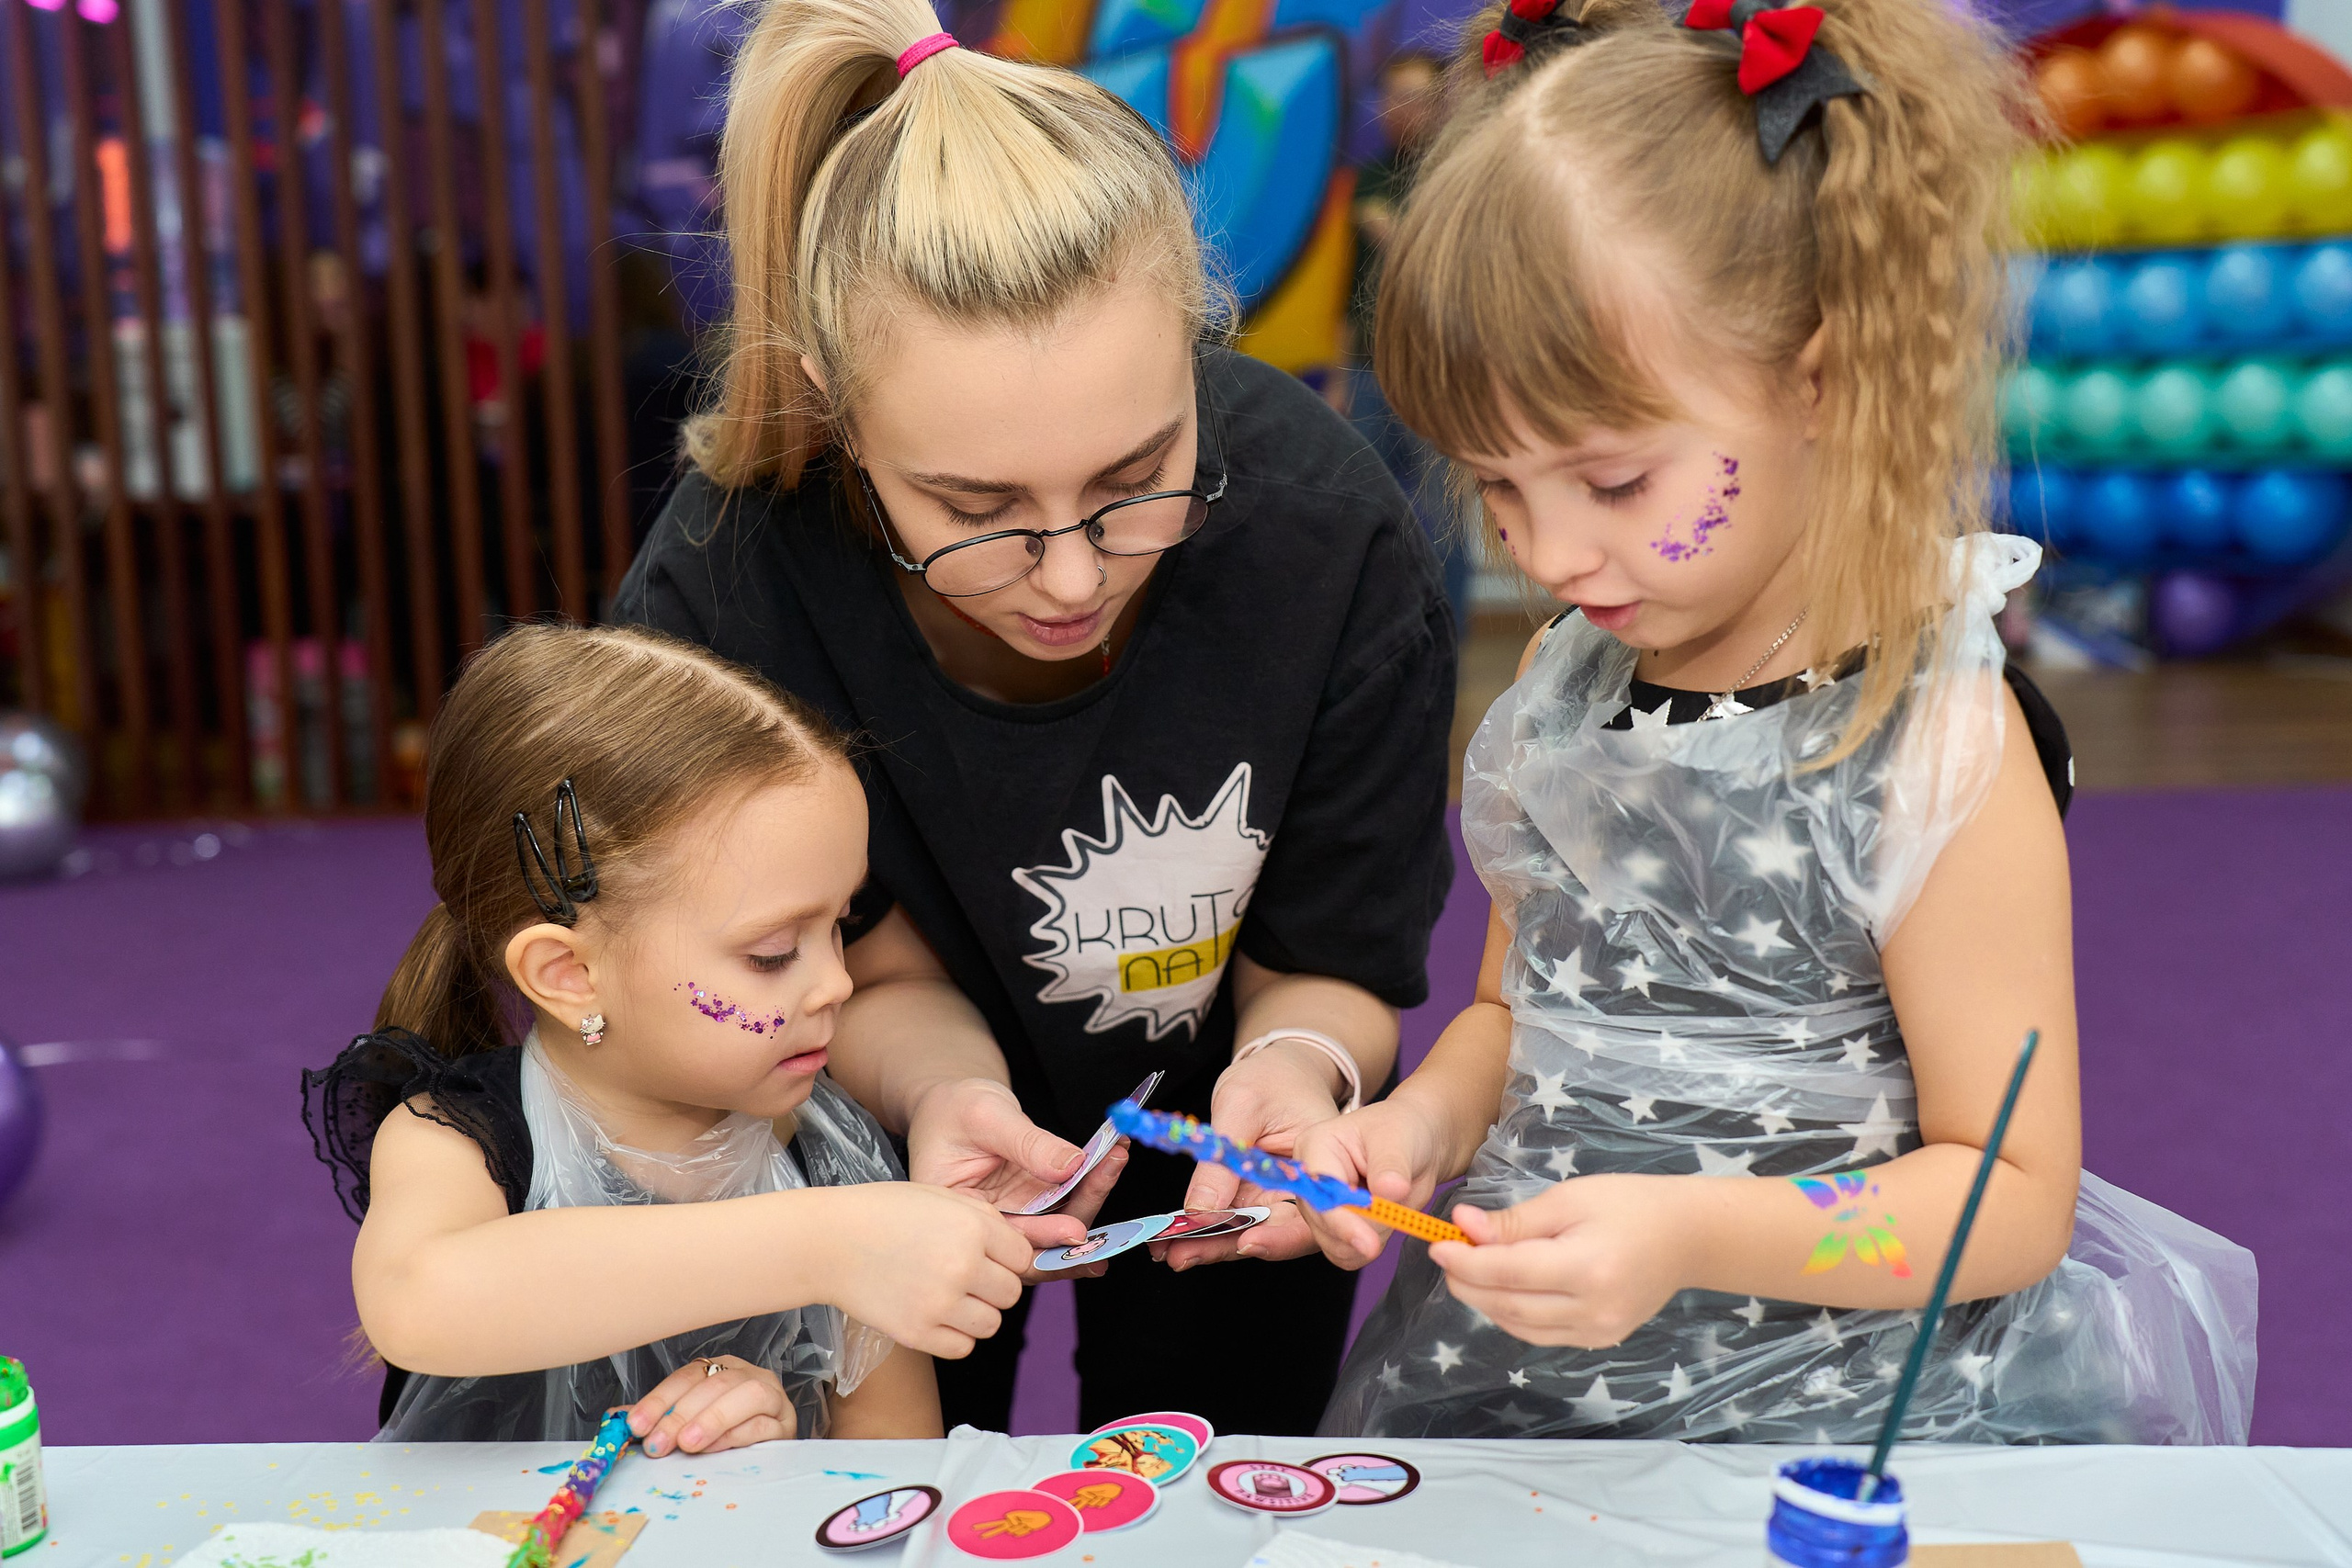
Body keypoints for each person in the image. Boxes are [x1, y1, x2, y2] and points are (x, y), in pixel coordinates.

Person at [1300, 0, 2256, 1442]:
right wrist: (1417, 1125)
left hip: (1843, 1411)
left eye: (1612, 483)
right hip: (1533, 1380)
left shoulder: (1935, 745)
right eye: (1500, 490)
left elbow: (2005, 1194)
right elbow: (1518, 1008)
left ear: (1820, 376)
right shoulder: (1569, 672)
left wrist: (1689, 1235)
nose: (1547, 553)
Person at [616, 0, 1456, 1434]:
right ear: (833, 413)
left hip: (1224, 1158)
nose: (1072, 574)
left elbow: (1333, 961)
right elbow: (857, 975)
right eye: (974, 509)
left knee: (1219, 1481)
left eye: (1139, 475)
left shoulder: (1331, 543)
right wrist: (941, 1090)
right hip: (855, 1137)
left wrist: (1294, 1067)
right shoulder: (728, 592)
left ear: (1199, 346)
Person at [300, 624, 1035, 1447]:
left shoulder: (831, 1153)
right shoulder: (460, 1145)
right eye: (771, 954)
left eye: (843, 924)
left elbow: (892, 1475)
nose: (836, 981)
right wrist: (827, 1244)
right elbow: (421, 1299)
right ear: (568, 972)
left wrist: (780, 1446)